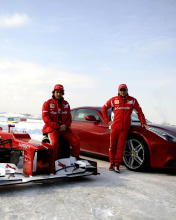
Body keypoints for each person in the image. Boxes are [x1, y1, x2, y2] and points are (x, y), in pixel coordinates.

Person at [102, 84, 148, 173]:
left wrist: (143, 122)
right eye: (121, 90)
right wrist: (107, 120)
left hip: (125, 128)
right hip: (115, 127)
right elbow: (104, 108)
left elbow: (139, 111)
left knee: (120, 147)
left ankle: (117, 164)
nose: (123, 91)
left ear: (127, 90)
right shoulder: (113, 100)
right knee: (112, 146)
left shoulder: (132, 100)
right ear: (118, 91)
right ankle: (111, 163)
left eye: (124, 90)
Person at [42, 84, 80, 160]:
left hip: (64, 129)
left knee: (76, 142)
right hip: (52, 129)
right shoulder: (47, 103)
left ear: (63, 93)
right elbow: (45, 118)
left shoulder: (66, 104)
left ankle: (75, 159)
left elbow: (69, 118)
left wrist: (66, 126)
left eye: (60, 92)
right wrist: (57, 126)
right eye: (57, 92)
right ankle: (54, 162)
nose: (59, 94)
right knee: (55, 143)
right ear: (53, 92)